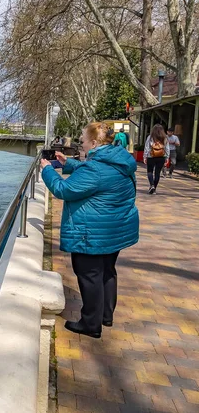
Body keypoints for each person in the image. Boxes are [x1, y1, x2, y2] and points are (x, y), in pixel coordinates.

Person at [41, 122, 139, 338]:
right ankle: (105, 315)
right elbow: (98, 174)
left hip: (92, 232)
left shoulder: (95, 168)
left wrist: (47, 170)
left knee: (89, 276)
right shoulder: (119, 160)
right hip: (115, 229)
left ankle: (90, 324)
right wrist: (69, 164)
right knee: (107, 272)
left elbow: (63, 189)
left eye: (83, 140)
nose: (80, 143)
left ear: (94, 142)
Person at [143, 124, 169, 194]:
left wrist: (145, 156)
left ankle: (152, 185)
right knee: (157, 173)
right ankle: (154, 188)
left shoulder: (150, 137)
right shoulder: (165, 137)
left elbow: (147, 147)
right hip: (161, 157)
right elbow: (167, 148)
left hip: (151, 156)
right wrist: (167, 157)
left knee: (150, 171)